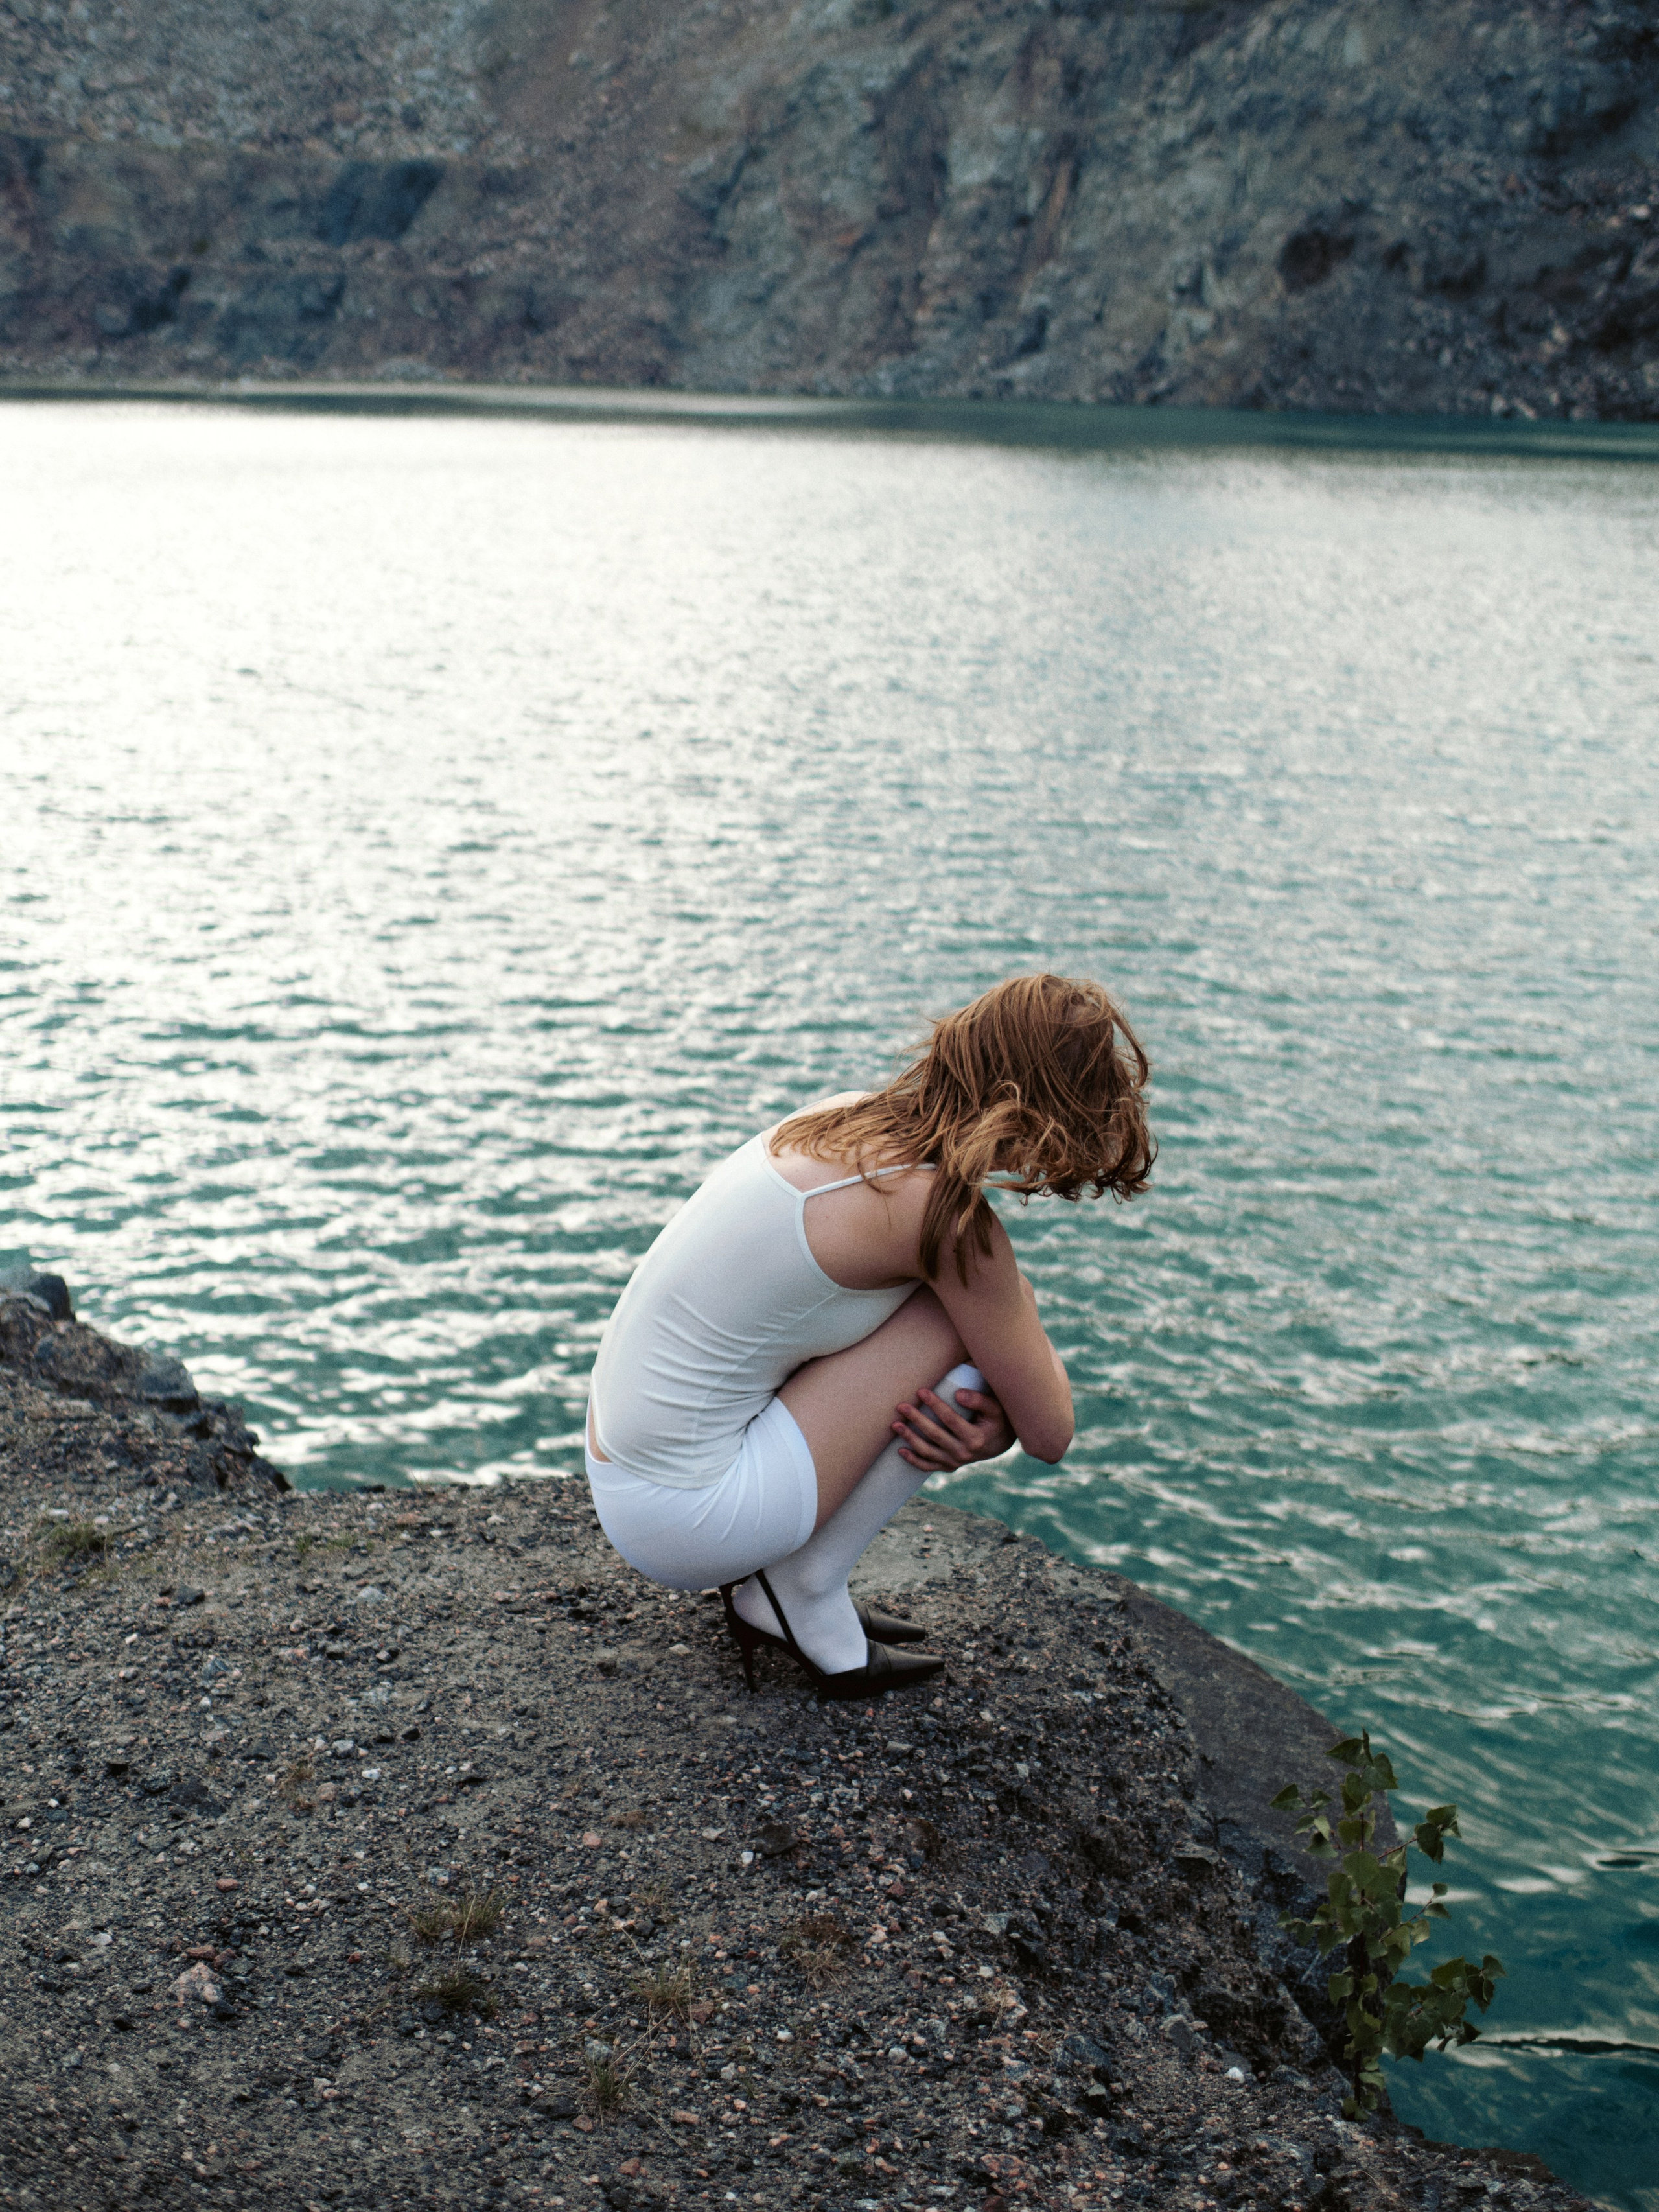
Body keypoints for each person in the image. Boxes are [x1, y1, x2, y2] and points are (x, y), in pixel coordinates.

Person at [583, 973, 1154, 1699]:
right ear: (1038, 1110)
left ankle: (787, 1583)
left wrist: (1008, 1396)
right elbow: (1053, 1431)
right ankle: (802, 1588)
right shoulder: (944, 1219)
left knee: (987, 1315)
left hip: (629, 1471)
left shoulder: (843, 1119)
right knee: (977, 1327)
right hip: (690, 1518)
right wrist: (1004, 1422)